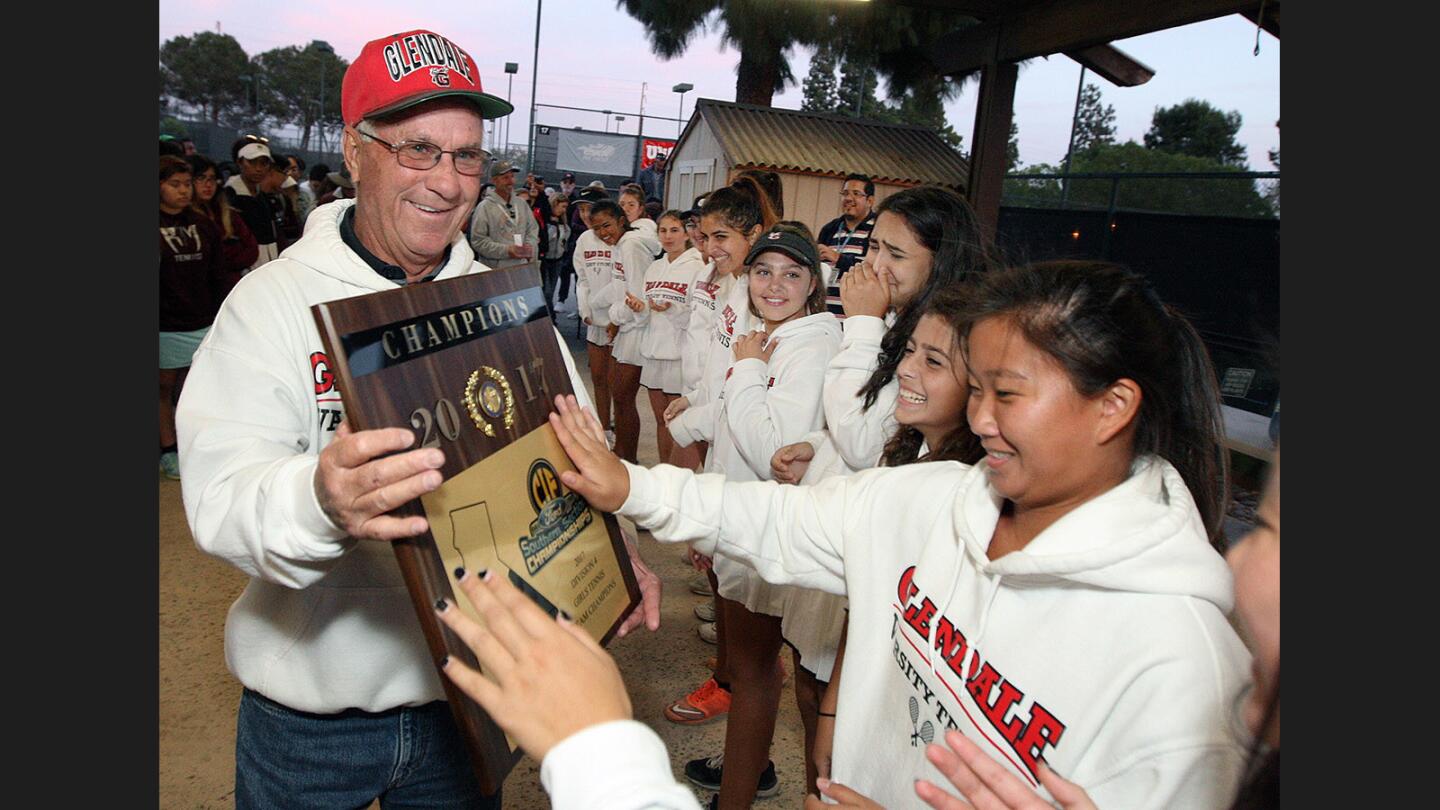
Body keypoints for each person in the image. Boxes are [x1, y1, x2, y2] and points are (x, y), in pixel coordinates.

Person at [551, 259, 1252, 809]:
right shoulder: (935, 500)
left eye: (1006, 394)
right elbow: (775, 519)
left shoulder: (1180, 665)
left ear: (1113, 408)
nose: (980, 420)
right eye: (977, 391)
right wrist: (632, 486)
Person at [176, 29, 659, 810]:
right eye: (418, 150)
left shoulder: (508, 307)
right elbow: (221, 498)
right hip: (310, 722)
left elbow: (579, 453)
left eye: (467, 155)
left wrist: (617, 547)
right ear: (356, 150)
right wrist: (321, 498)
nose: (448, 180)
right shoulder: (271, 303)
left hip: (468, 707)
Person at [824, 186, 995, 472]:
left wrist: (864, 324)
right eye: (875, 246)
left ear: (941, 262)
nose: (877, 266)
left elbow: (863, 445)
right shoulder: (894, 314)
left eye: (896, 255)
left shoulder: (945, 338)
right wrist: (818, 443)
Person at [160, 155, 236, 480]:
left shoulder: (204, 224)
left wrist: (223, 312)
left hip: (202, 317)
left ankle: (201, 445)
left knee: (202, 386)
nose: (184, 191)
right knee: (163, 388)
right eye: (174, 185)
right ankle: (168, 449)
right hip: (165, 323)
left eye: (186, 184)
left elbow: (217, 274)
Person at [593, 199, 660, 463]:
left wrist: (616, 317)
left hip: (638, 329)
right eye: (597, 228)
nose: (602, 233)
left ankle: (628, 458)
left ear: (622, 220)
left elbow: (638, 296)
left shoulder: (631, 245)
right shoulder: (621, 245)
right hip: (628, 326)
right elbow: (621, 288)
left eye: (607, 225)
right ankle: (622, 453)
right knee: (620, 396)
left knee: (622, 395)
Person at [638, 210, 706, 466]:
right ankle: (663, 471)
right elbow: (645, 311)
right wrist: (639, 308)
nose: (668, 236)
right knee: (659, 420)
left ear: (687, 234)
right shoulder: (654, 267)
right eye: (663, 230)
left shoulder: (697, 267)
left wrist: (674, 310)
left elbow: (700, 318)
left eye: (674, 230)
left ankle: (679, 476)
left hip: (681, 355)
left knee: (680, 423)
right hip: (654, 351)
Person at [187, 154, 260, 281]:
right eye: (201, 178)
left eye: (212, 178)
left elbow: (252, 248)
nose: (208, 184)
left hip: (231, 283)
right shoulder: (184, 217)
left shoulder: (228, 213)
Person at [223, 135, 284, 270]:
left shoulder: (265, 196)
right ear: (239, 162)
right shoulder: (230, 195)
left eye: (263, 163)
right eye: (252, 162)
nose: (258, 168)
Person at [469, 159, 540, 273]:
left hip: (521, 269)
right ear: (494, 180)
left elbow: (533, 229)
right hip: (495, 272)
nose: (511, 181)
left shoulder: (521, 204)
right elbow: (478, 241)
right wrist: (507, 250)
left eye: (512, 176)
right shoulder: (485, 207)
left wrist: (529, 246)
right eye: (505, 178)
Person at [816, 173, 878, 284]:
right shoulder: (829, 229)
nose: (848, 198)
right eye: (845, 193)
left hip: (858, 301)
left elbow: (874, 268)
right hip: (825, 300)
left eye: (856, 193)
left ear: (870, 201)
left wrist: (838, 258)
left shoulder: (878, 229)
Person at [541, 194, 572, 315]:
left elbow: (565, 239)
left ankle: (549, 315)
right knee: (546, 291)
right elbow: (544, 238)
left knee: (551, 291)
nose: (564, 210)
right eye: (562, 206)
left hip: (557, 260)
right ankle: (549, 316)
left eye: (565, 207)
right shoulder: (546, 220)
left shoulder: (563, 222)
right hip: (546, 260)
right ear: (554, 204)